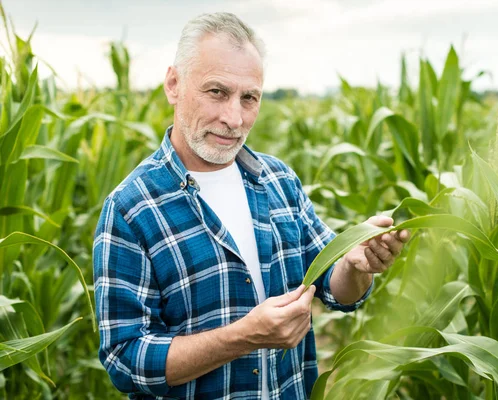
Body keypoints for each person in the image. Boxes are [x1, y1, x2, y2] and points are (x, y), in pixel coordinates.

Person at [93, 12, 409, 400]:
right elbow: (126, 359)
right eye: (216, 92)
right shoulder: (130, 209)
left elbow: (335, 288)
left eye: (249, 98)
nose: (234, 118)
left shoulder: (279, 181)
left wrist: (355, 263)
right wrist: (243, 337)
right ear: (174, 84)